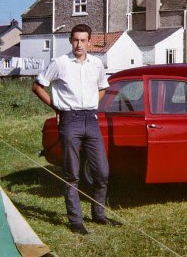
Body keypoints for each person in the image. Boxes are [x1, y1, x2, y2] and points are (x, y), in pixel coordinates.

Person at [32, 23, 121, 235]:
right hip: (70, 120)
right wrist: (57, 107)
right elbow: (37, 86)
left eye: (83, 40)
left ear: (89, 42)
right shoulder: (60, 63)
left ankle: (98, 214)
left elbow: (102, 88)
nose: (79, 44)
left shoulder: (97, 64)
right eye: (75, 40)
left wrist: (92, 105)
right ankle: (75, 221)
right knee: (72, 173)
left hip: (91, 120)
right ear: (70, 41)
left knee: (102, 171)